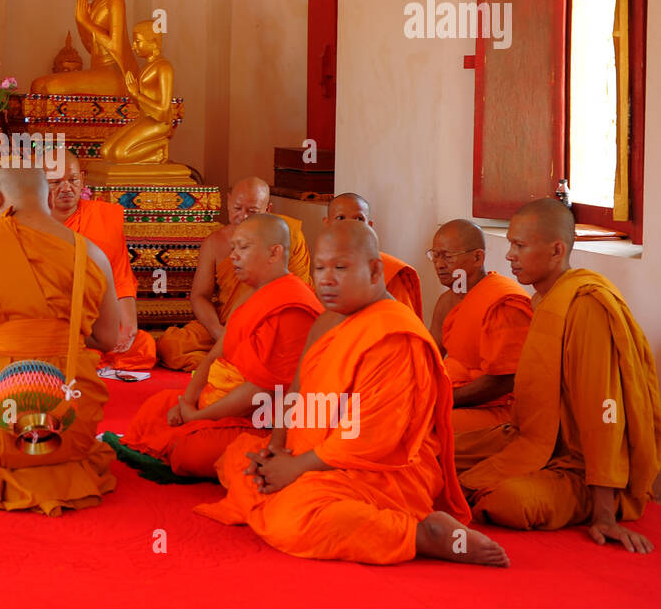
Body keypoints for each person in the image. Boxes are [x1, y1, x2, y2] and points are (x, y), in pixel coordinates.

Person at [195, 221, 508, 566]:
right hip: (313, 454)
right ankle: (292, 487)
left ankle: (419, 534)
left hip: (376, 470)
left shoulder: (393, 335)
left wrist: (295, 468)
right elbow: (298, 391)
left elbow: (373, 439)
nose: (326, 279)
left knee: (293, 519)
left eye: (340, 268)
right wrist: (276, 449)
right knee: (239, 459)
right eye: (320, 268)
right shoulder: (329, 318)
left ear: (374, 270)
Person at [455, 199, 661, 551]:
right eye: (510, 244)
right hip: (535, 441)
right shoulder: (545, 299)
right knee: (433, 450)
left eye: (519, 246)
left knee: (508, 501)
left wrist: (604, 516)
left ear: (556, 250)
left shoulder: (586, 307)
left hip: (581, 465)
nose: (509, 256)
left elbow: (604, 413)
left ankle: (597, 500)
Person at [0, 168, 121, 514]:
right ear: (48, 198)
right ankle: (57, 450)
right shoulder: (91, 253)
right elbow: (109, 338)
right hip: (70, 395)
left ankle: (8, 449)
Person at [124, 214, 321, 477]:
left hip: (263, 418)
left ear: (274, 253)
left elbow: (261, 391)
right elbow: (219, 350)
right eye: (233, 248)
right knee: (156, 408)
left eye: (244, 247)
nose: (234, 256)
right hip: (225, 399)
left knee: (191, 453)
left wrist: (198, 417)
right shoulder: (253, 293)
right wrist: (190, 398)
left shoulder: (292, 306)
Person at [156, 176, 311, 371]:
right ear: (228, 201)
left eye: (252, 211)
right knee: (171, 346)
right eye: (237, 208)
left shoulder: (289, 237)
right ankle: (235, 363)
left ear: (267, 210)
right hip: (228, 325)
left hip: (270, 326)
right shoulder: (215, 243)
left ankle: (232, 364)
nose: (243, 217)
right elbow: (199, 296)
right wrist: (218, 332)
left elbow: (296, 295)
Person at [47, 150, 155, 371]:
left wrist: (128, 325)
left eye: (73, 180)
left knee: (143, 346)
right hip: (53, 317)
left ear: (83, 179)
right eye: (56, 182)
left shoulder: (103, 217)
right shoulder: (35, 222)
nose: (66, 188)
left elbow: (120, 274)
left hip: (97, 318)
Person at [426, 217, 531, 434]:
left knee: (423, 428)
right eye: (434, 255)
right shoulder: (446, 302)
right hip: (454, 396)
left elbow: (504, 381)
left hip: (499, 409)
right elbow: (427, 359)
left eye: (447, 256)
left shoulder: (502, 302)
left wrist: (444, 400)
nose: (439, 264)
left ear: (477, 257)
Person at [323, 192, 422, 316]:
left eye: (359, 219)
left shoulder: (387, 271)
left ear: (369, 226)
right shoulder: (324, 265)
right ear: (326, 223)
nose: (350, 225)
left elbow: (401, 321)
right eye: (341, 218)